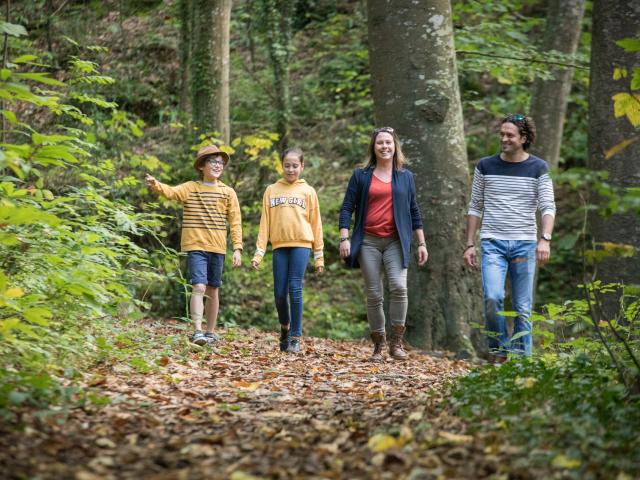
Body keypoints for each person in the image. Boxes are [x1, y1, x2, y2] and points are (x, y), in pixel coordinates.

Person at [463, 114, 556, 362]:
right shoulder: (485, 166)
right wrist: (470, 244)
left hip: (524, 244)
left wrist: (544, 239)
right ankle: (500, 352)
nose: (504, 139)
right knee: (493, 298)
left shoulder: (538, 168)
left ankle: (522, 360)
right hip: (492, 243)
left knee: (523, 308)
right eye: (502, 134)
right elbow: (475, 206)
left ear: (523, 138)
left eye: (510, 135)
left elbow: (548, 206)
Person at [339, 127, 428, 362]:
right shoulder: (361, 175)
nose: (385, 147)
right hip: (368, 241)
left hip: (396, 242)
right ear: (374, 147)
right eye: (380, 143)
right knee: (374, 294)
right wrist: (344, 237)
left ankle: (396, 342)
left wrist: (421, 243)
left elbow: (413, 210)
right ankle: (379, 345)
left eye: (389, 143)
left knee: (399, 287)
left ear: (395, 146)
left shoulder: (405, 177)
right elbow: (347, 207)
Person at [145, 145, 243, 345]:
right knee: (199, 286)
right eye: (213, 162)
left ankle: (210, 332)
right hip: (195, 245)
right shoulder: (191, 188)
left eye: (220, 163)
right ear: (201, 166)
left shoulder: (228, 192)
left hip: (217, 247)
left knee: (213, 290)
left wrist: (238, 248)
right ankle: (197, 331)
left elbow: (235, 221)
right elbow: (171, 192)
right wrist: (156, 185)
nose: (218, 166)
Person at [251, 147, 324, 354]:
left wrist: (319, 256)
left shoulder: (308, 191)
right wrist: (259, 253)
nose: (291, 169)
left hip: (302, 244)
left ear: (302, 166)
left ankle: (295, 337)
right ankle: (285, 327)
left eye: (295, 166)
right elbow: (265, 223)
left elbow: (316, 224)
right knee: (279, 294)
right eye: (287, 165)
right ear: (281, 166)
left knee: (295, 287)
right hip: (280, 247)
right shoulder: (271, 190)